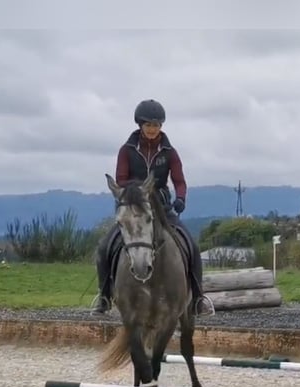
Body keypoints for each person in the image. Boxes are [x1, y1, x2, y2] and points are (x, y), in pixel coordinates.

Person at [91, 99, 215, 318]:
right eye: (148, 124)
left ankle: (198, 298)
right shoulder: (127, 150)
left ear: (161, 126)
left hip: (161, 205)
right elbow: (121, 179)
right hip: (133, 205)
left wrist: (181, 198)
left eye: (156, 125)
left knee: (192, 245)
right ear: (140, 125)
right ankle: (103, 296)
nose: (152, 129)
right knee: (104, 247)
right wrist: (136, 194)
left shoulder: (169, 152)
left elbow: (179, 180)